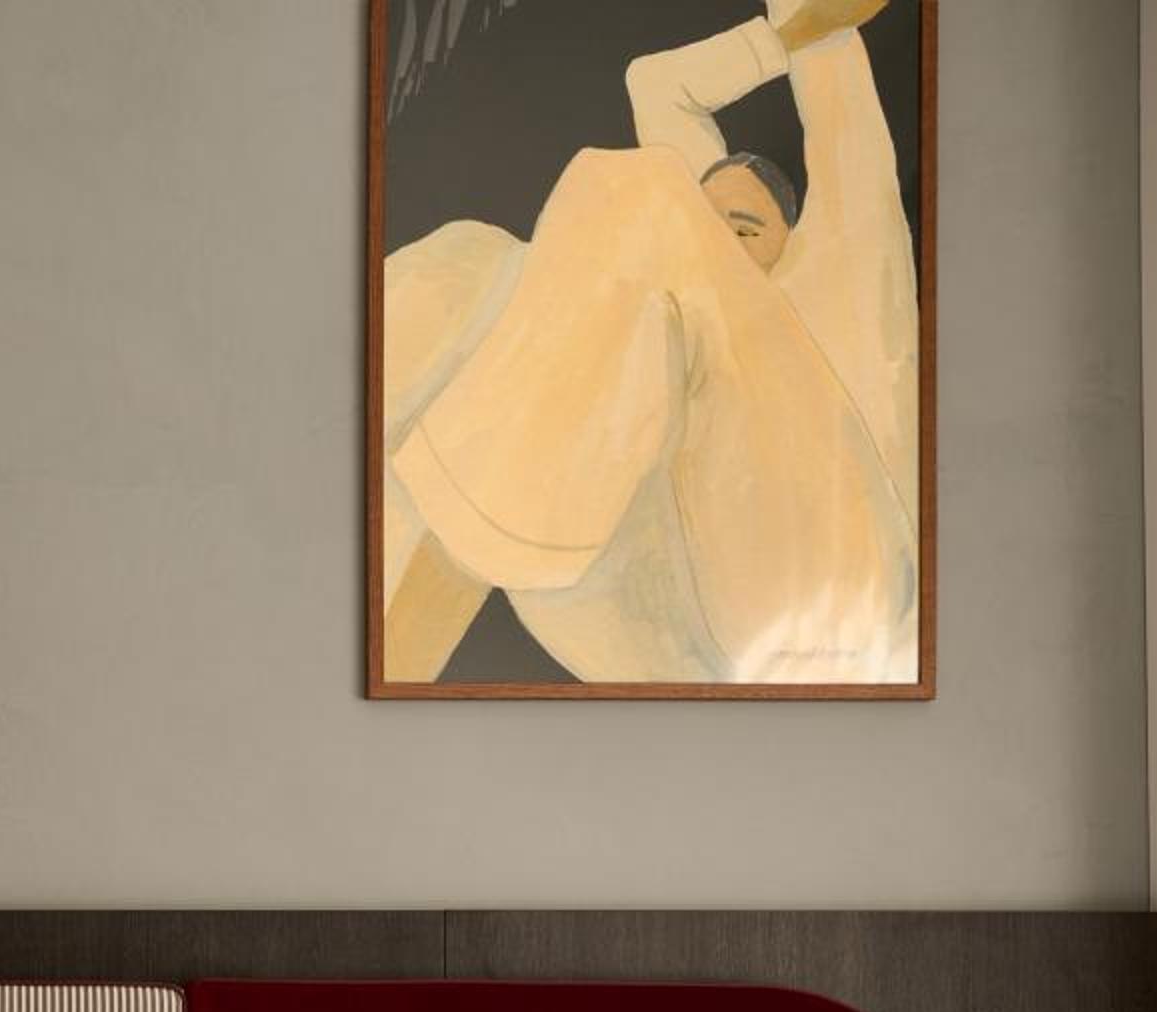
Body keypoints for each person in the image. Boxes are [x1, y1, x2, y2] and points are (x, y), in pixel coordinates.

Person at [380, 0, 918, 686]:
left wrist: (806, 30)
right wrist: (773, 39)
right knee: (469, 266)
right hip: (679, 608)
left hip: (846, 598)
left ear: (792, 240)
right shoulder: (682, 311)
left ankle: (433, 595)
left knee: (643, 194)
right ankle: (369, 611)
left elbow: (687, 99)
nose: (715, 243)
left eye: (744, 230)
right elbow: (654, 88)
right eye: (708, 225)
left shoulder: (843, 261)